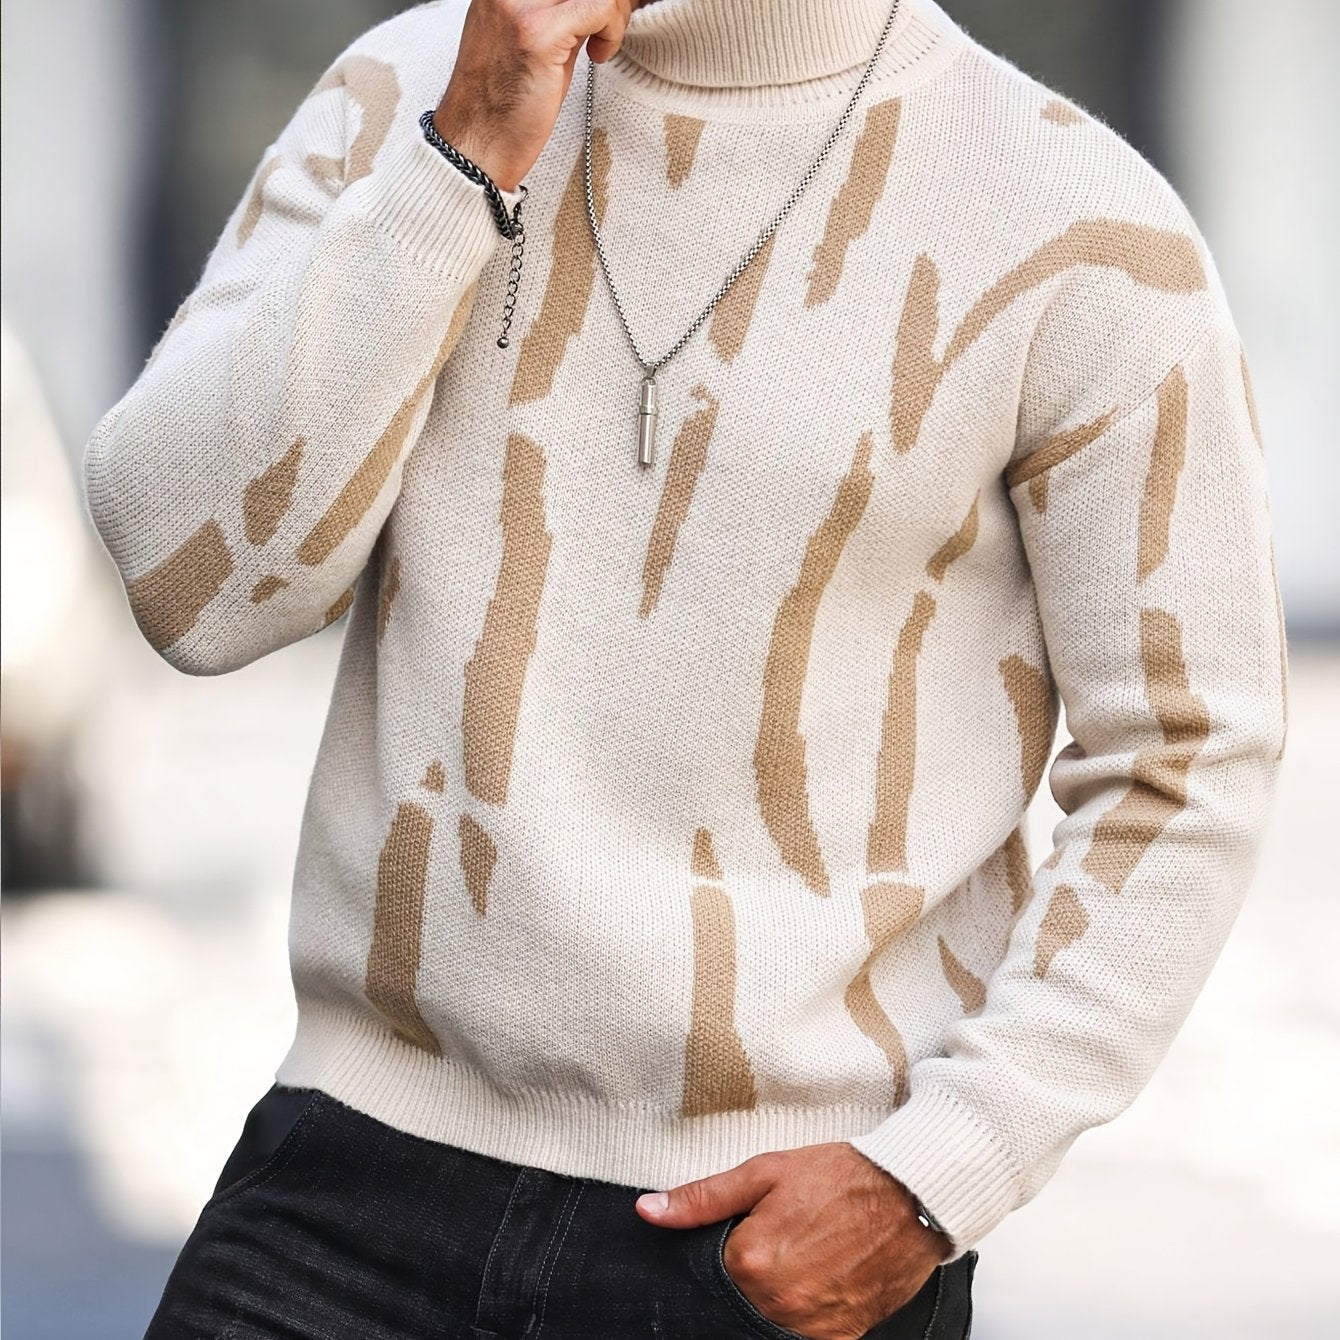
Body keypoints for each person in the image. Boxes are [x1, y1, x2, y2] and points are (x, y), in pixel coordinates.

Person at [81, 0, 1288, 1336]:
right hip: (347, 1189)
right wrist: (462, 153)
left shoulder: (1081, 225)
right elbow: (193, 594)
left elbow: (1188, 755)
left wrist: (939, 1173)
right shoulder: (407, 86)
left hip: (773, 1244)